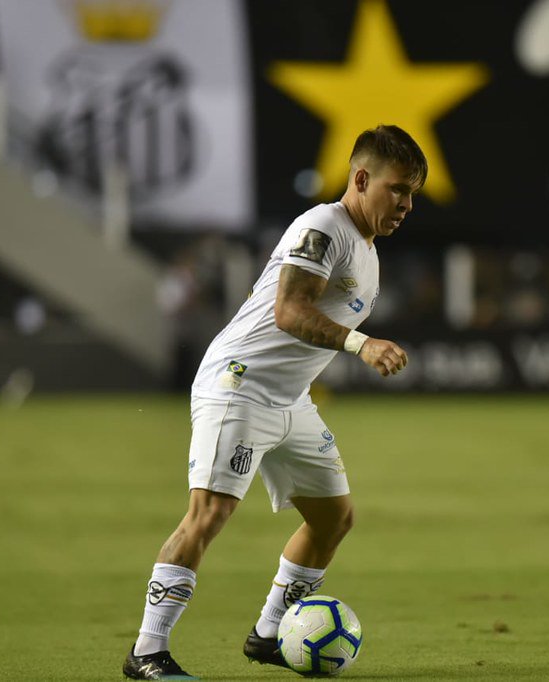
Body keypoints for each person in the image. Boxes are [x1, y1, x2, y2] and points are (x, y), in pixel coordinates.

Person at [122, 124, 427, 680]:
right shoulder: (322, 228)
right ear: (361, 179)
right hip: (238, 385)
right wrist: (361, 343)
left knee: (333, 517)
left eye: (413, 194)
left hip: (289, 400)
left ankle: (269, 633)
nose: (407, 203)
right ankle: (146, 650)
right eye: (398, 189)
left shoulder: (368, 252)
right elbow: (289, 311)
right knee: (208, 514)